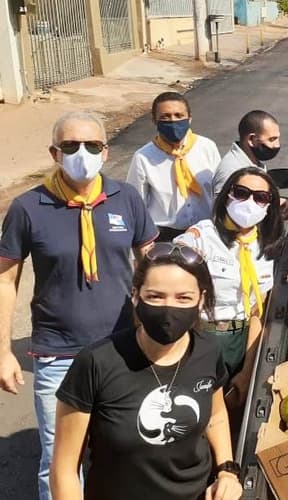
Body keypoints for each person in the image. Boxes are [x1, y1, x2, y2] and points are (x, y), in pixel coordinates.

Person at [0, 111, 157, 500]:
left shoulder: (127, 199)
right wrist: (3, 351)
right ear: (54, 152)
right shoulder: (28, 207)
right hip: (57, 355)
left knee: (124, 451)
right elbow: (5, 280)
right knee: (59, 461)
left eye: (91, 145)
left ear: (106, 152)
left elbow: (152, 265)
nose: (81, 153)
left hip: (123, 351)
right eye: (70, 146)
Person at [50, 243, 243, 500]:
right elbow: (64, 468)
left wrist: (226, 471)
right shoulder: (97, 362)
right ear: (135, 295)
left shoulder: (207, 350)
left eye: (183, 297)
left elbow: (216, 414)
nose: (168, 309)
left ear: (201, 300)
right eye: (155, 296)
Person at [175, 167, 283, 413]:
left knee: (232, 417)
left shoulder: (266, 246)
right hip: (201, 338)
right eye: (241, 193)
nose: (249, 202)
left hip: (241, 340)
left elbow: (257, 311)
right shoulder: (201, 237)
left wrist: (246, 373)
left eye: (260, 197)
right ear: (227, 196)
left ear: (269, 206)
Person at [127, 91, 221, 242]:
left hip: (205, 233)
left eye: (178, 115)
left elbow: (219, 190)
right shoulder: (143, 157)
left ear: (189, 118)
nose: (172, 121)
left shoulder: (207, 147)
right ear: (154, 120)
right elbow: (137, 206)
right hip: (164, 236)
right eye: (165, 117)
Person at [213, 110, 281, 195]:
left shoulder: (252, 162)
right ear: (251, 140)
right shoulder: (231, 171)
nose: (277, 145)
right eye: (272, 139)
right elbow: (220, 206)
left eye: (278, 138)